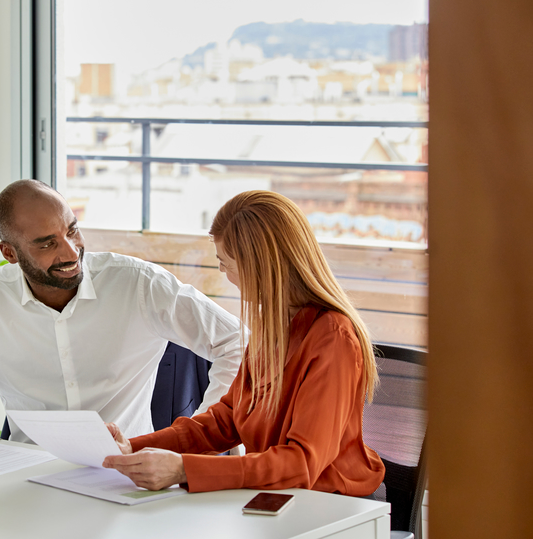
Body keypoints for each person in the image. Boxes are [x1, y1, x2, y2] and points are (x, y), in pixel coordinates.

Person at [0, 179, 242, 443]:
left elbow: (238, 342)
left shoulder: (137, 284)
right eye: (47, 243)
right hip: (27, 479)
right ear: (9, 253)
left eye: (72, 231)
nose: (71, 252)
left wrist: (202, 428)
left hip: (124, 475)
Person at [102, 190, 385, 496]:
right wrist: (132, 446)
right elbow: (225, 422)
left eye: (227, 263)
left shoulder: (333, 339)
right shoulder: (274, 325)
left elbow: (301, 463)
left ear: (262, 266)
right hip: (276, 493)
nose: (223, 273)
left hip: (329, 502)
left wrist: (185, 469)